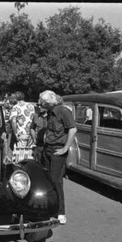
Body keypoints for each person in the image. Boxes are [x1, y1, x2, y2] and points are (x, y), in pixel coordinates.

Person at [39, 90, 77, 225]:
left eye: (42, 102)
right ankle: (50, 209)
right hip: (48, 150)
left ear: (49, 101)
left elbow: (73, 129)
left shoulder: (64, 112)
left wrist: (65, 148)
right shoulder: (49, 112)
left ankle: (60, 212)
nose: (40, 104)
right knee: (48, 180)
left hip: (57, 150)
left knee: (56, 181)